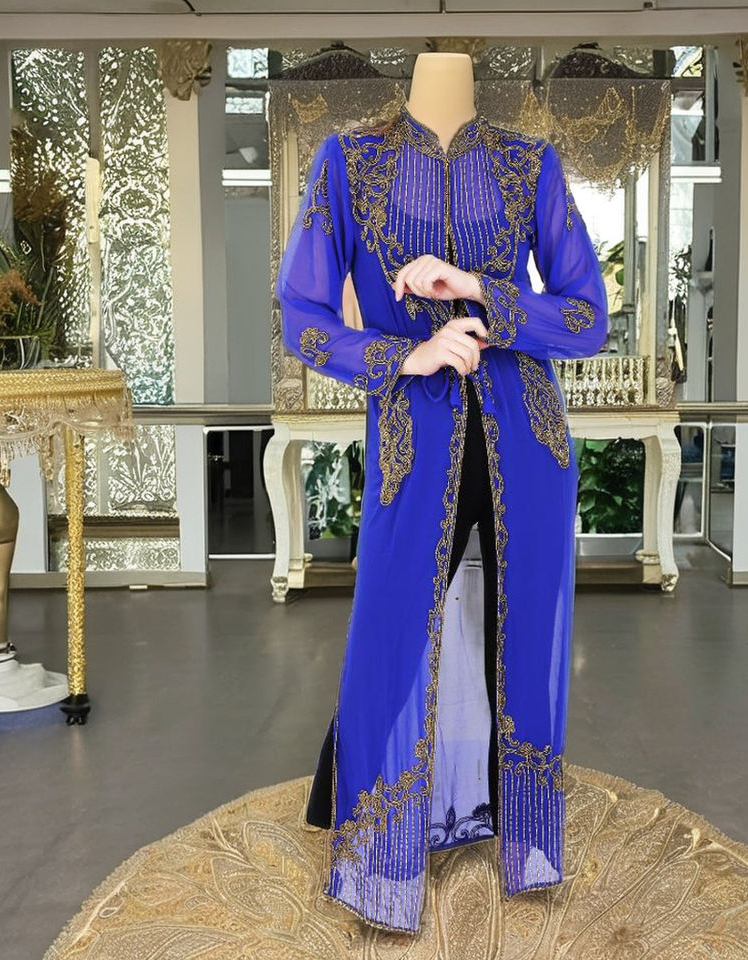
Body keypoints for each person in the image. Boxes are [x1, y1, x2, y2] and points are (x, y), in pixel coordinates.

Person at [277, 56, 608, 934]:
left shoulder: (528, 163)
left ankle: (520, 835)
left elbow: (587, 316)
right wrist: (406, 354)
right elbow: (303, 316)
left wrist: (476, 290)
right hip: (412, 447)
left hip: (528, 446)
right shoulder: (350, 162)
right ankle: (380, 850)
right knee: (391, 635)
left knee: (521, 638)